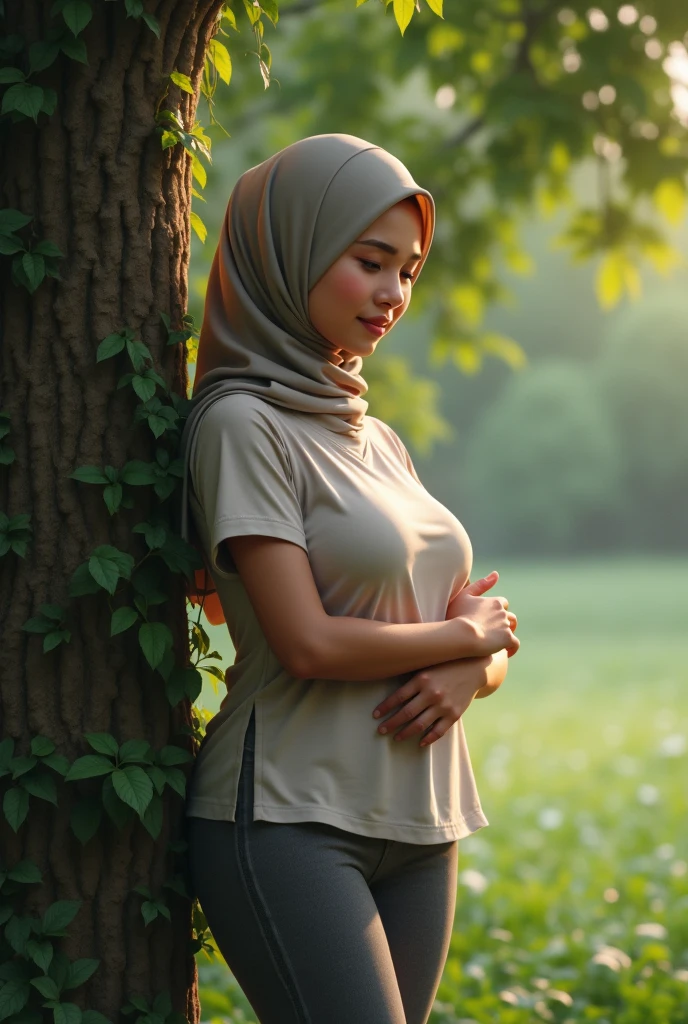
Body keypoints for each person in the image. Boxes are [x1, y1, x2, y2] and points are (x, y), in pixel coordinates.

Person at [178, 134, 519, 1024]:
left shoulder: (377, 437)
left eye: (407, 271)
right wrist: (464, 638)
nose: (393, 295)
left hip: (420, 820)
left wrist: (470, 668)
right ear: (291, 248)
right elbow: (307, 641)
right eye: (370, 262)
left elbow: (485, 630)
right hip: (290, 818)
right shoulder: (242, 424)